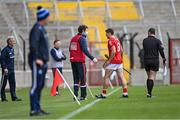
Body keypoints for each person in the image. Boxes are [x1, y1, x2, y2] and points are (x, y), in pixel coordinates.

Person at [28, 6, 50, 116]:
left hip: (43, 61)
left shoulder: (42, 29)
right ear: (43, 17)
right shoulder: (36, 28)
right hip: (37, 61)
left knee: (40, 85)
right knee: (36, 85)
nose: (49, 18)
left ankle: (38, 107)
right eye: (48, 16)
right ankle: (33, 109)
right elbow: (33, 45)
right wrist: (36, 58)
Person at [96, 28, 128, 99]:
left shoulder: (111, 41)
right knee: (122, 77)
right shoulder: (117, 40)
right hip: (119, 61)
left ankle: (103, 94)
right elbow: (121, 51)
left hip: (113, 62)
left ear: (109, 33)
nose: (105, 35)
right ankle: (125, 93)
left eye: (106, 33)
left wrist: (109, 61)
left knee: (106, 77)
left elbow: (113, 51)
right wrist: (120, 59)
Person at [69, 25, 98, 101]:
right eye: (86, 30)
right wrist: (93, 58)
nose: (86, 32)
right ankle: (83, 96)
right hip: (80, 60)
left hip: (73, 60)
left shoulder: (73, 38)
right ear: (82, 31)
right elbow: (85, 50)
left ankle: (75, 95)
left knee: (75, 79)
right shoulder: (82, 38)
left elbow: (70, 49)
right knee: (83, 79)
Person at [143, 28, 166, 98]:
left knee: (149, 77)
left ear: (149, 32)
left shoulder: (144, 40)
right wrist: (164, 58)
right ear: (154, 33)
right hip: (154, 61)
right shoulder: (157, 41)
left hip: (146, 61)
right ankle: (149, 94)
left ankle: (148, 93)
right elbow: (161, 50)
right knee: (151, 77)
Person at [0, 36, 22, 102]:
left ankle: (14, 97)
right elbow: (2, 60)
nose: (14, 42)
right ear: (9, 42)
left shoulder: (12, 49)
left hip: (12, 69)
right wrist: (5, 68)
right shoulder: (5, 50)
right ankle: (3, 98)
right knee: (3, 84)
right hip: (6, 70)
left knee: (13, 84)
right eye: (13, 40)